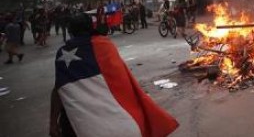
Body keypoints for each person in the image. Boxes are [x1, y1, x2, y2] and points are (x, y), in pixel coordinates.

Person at [49, 13, 179, 137]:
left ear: (71, 31)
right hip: (114, 120)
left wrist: (53, 122)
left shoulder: (63, 54)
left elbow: (59, 89)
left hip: (80, 125)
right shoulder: (104, 45)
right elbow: (122, 80)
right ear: (91, 27)